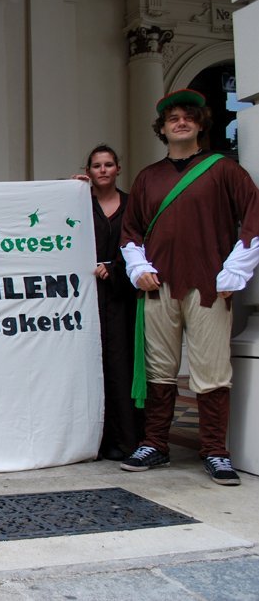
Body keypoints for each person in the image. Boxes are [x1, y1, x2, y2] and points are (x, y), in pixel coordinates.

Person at [119, 88, 259, 486]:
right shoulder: (148, 177)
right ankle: (155, 444)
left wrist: (235, 271)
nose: (180, 122)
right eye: (172, 118)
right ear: (162, 129)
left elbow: (254, 219)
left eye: (188, 116)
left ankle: (215, 450)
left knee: (212, 371)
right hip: (158, 285)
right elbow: (131, 232)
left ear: (200, 124)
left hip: (208, 285)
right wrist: (138, 268)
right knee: (160, 370)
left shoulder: (225, 170)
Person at [80, 145, 143, 460]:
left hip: (122, 297)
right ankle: (97, 440)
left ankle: (126, 439)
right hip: (87, 296)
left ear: (118, 168)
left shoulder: (132, 205)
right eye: (97, 165)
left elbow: (142, 244)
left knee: (121, 364)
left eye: (108, 164)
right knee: (91, 364)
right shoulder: (80, 205)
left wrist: (115, 268)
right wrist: (68, 189)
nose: (103, 170)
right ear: (88, 171)